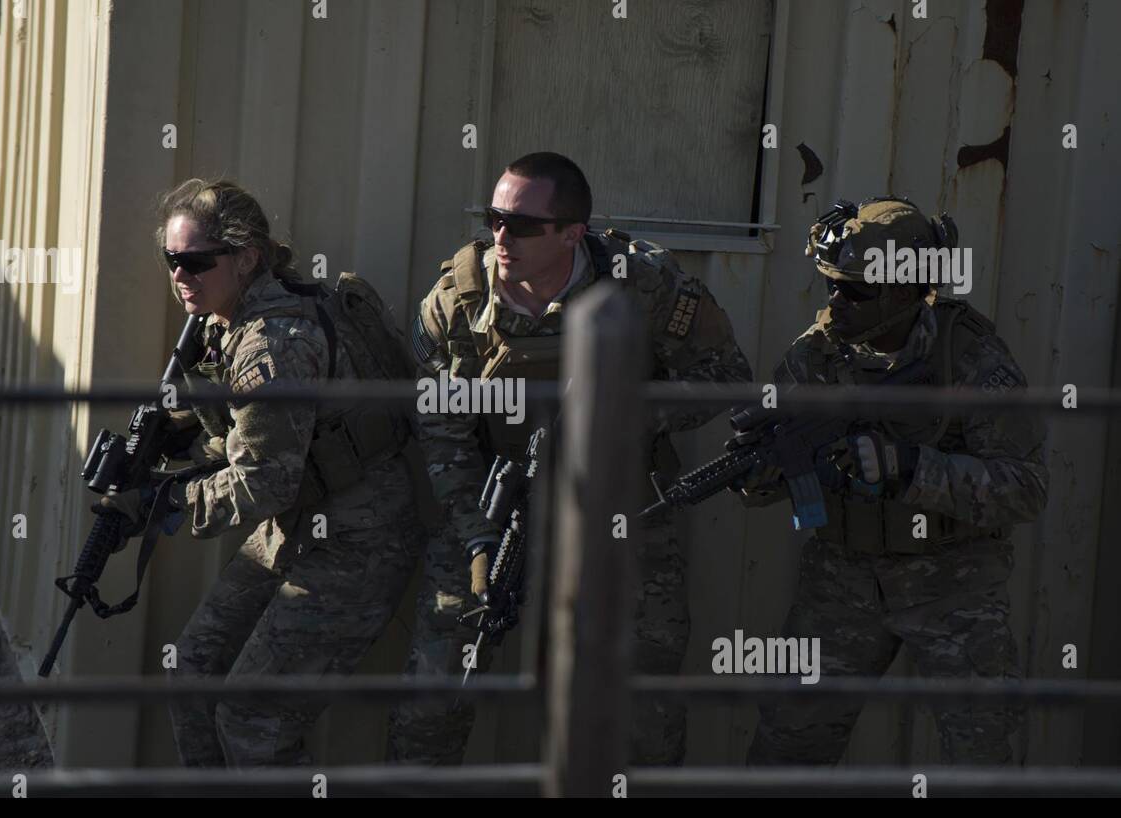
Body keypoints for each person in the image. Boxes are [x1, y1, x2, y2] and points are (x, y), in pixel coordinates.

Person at [387, 151, 753, 765]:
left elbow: (726, 376)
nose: (502, 237)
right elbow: (442, 432)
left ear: (572, 233)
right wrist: (478, 540)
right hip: (495, 503)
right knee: (435, 694)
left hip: (619, 505)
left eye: (524, 225)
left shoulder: (645, 283)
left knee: (642, 700)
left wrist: (617, 419)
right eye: (494, 218)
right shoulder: (458, 300)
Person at [99, 178, 422, 767]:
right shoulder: (224, 321)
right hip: (295, 529)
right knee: (192, 675)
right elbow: (245, 430)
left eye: (196, 261)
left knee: (252, 719)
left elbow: (263, 480)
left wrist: (165, 501)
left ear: (246, 258)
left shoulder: (275, 343)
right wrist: (171, 435)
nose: (180, 276)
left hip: (358, 541)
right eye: (171, 260)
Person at [738, 196, 1049, 765]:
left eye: (855, 290)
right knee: (789, 741)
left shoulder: (972, 361)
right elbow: (776, 485)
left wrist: (910, 468)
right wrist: (760, 470)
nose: (836, 300)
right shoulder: (815, 356)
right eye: (831, 283)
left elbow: (1025, 487)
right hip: (841, 579)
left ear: (904, 292)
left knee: (980, 751)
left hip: (953, 582)